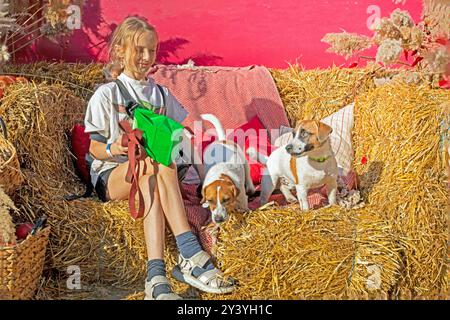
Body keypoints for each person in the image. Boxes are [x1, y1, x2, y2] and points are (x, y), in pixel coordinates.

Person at [84, 16, 233, 300]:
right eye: (138, 49)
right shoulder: (107, 94)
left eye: (150, 50)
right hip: (114, 175)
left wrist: (204, 179)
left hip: (152, 174)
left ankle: (156, 278)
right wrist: (116, 147)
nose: (145, 57)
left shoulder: (161, 94)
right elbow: (94, 149)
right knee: (156, 164)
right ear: (121, 50)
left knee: (155, 170)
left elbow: (181, 140)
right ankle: (190, 254)